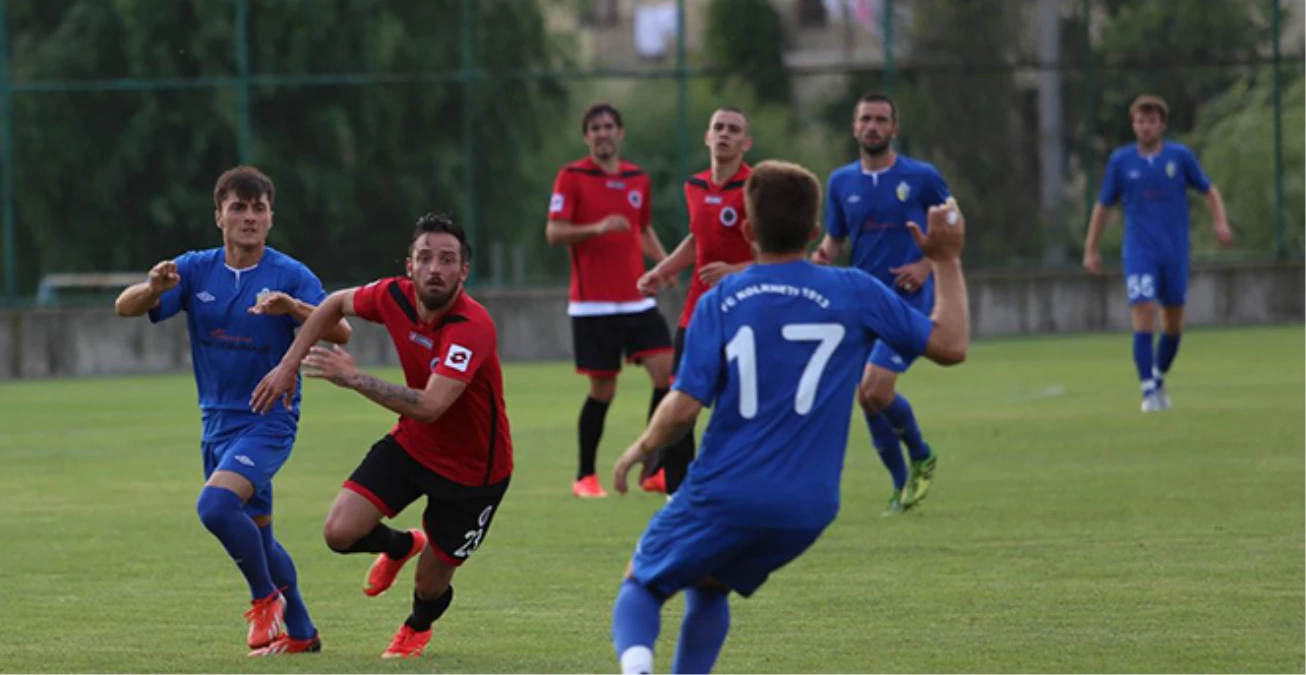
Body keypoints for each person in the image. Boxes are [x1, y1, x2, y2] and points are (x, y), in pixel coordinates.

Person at [609, 160, 970, 675]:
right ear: (815, 230)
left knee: (641, 583)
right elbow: (951, 345)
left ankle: (637, 669)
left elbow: (683, 407)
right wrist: (948, 259)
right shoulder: (855, 291)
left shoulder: (723, 301)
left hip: (725, 489)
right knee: (710, 585)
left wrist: (642, 448)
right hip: (808, 507)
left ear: (750, 230)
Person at [113, 165, 352, 656]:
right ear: (219, 216)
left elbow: (341, 330)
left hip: (270, 420)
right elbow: (125, 306)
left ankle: (265, 600)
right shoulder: (196, 268)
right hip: (217, 423)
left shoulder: (291, 275)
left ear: (270, 217)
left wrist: (294, 309)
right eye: (238, 208)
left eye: (258, 208)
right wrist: (154, 289)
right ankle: (304, 634)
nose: (249, 217)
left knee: (216, 506)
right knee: (261, 540)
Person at [251, 213, 512, 660]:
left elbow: (431, 406)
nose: (435, 267)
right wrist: (289, 363)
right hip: (415, 444)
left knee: (429, 585)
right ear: (409, 265)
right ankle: (402, 543)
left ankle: (417, 626)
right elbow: (334, 304)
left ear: (462, 271)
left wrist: (356, 380)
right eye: (424, 257)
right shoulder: (393, 295)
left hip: (474, 474)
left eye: (447, 259)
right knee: (339, 533)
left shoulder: (471, 327)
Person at [811, 93, 952, 514]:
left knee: (875, 387)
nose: (873, 126)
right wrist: (814, 264)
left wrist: (925, 266)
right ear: (854, 127)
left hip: (907, 302)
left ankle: (922, 453)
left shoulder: (922, 177)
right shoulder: (840, 182)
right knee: (866, 396)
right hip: (860, 303)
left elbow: (952, 227)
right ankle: (900, 482)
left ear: (894, 127)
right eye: (865, 119)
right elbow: (835, 240)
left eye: (881, 120)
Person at [546, 102, 675, 499]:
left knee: (667, 375)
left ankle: (655, 468)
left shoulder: (637, 178)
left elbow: (642, 228)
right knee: (603, 392)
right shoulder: (571, 177)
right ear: (587, 137)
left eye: (609, 127)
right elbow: (554, 232)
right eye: (595, 128)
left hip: (637, 300)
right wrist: (597, 227)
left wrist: (666, 265)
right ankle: (585, 476)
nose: (603, 133)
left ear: (621, 133)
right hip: (593, 306)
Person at [1084, 94, 1233, 412]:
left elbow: (1209, 190)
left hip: (1175, 251)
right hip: (1140, 250)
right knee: (1143, 310)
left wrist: (1220, 222)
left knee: (1174, 320)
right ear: (1133, 125)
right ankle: (1148, 391)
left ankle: (1159, 376)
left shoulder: (1179, 157)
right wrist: (1091, 248)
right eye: (1140, 121)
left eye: (1152, 121)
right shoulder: (1121, 162)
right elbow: (1103, 206)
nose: (1146, 127)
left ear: (1161, 125)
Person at [637, 106, 755, 495]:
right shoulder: (695, 186)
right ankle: (678, 491)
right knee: (679, 402)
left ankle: (736, 485)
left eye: (733, 129)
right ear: (707, 137)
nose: (724, 134)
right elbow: (696, 240)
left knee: (737, 408)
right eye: (718, 127)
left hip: (745, 315)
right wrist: (663, 270)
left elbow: (778, 254)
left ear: (745, 143)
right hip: (697, 315)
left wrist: (736, 271)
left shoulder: (757, 188)